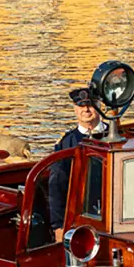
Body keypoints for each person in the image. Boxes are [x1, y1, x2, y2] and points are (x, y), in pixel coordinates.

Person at [45, 86, 106, 239]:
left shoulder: (117, 134)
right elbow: (57, 184)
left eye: (90, 105)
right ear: (75, 109)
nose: (86, 109)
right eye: (81, 106)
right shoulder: (66, 143)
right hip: (82, 212)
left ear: (99, 105)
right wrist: (59, 225)